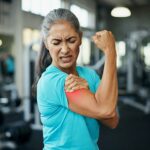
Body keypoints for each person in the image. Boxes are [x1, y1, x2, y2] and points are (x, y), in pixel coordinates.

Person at [34, 8, 118, 150]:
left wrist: (89, 92)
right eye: (56, 43)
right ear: (47, 43)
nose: (65, 49)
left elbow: (113, 120)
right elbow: (106, 109)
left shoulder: (89, 75)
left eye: (71, 40)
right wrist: (111, 51)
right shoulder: (51, 81)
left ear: (80, 38)